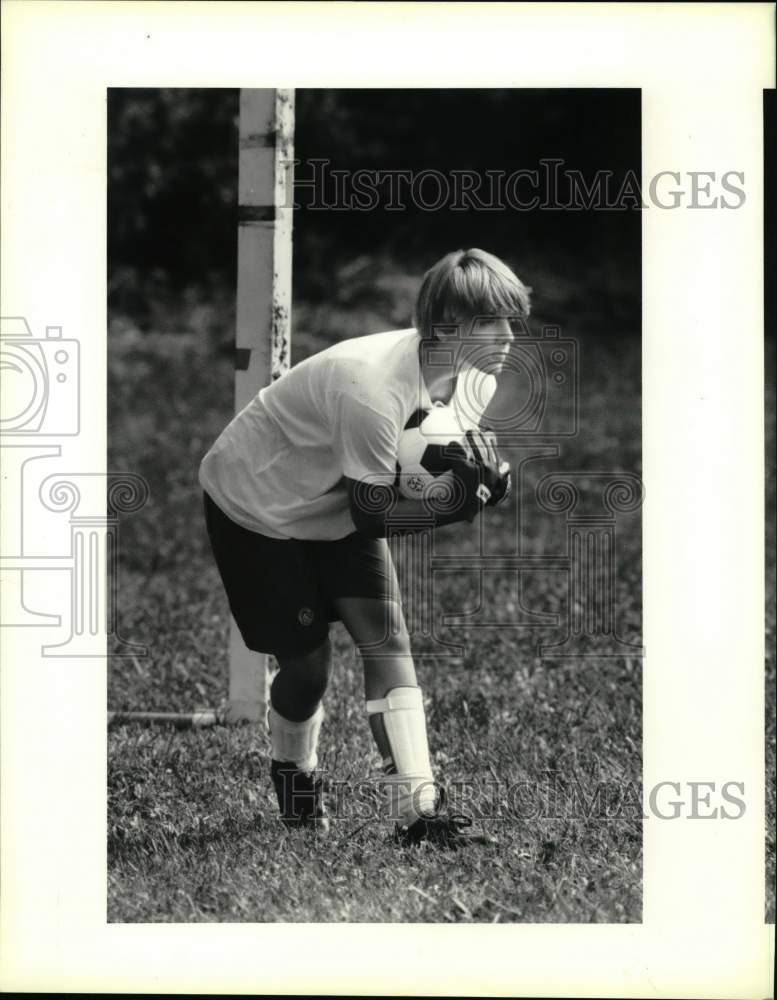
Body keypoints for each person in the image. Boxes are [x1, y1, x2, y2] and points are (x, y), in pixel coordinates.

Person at [198, 248, 531, 848]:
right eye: (491, 322)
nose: (508, 336)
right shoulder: (371, 389)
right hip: (258, 505)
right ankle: (294, 771)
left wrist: (475, 478)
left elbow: (423, 462)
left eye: (512, 319)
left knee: (387, 639)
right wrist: (454, 506)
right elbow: (372, 515)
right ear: (446, 328)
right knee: (309, 670)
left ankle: (418, 816)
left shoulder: (476, 376)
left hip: (338, 501)